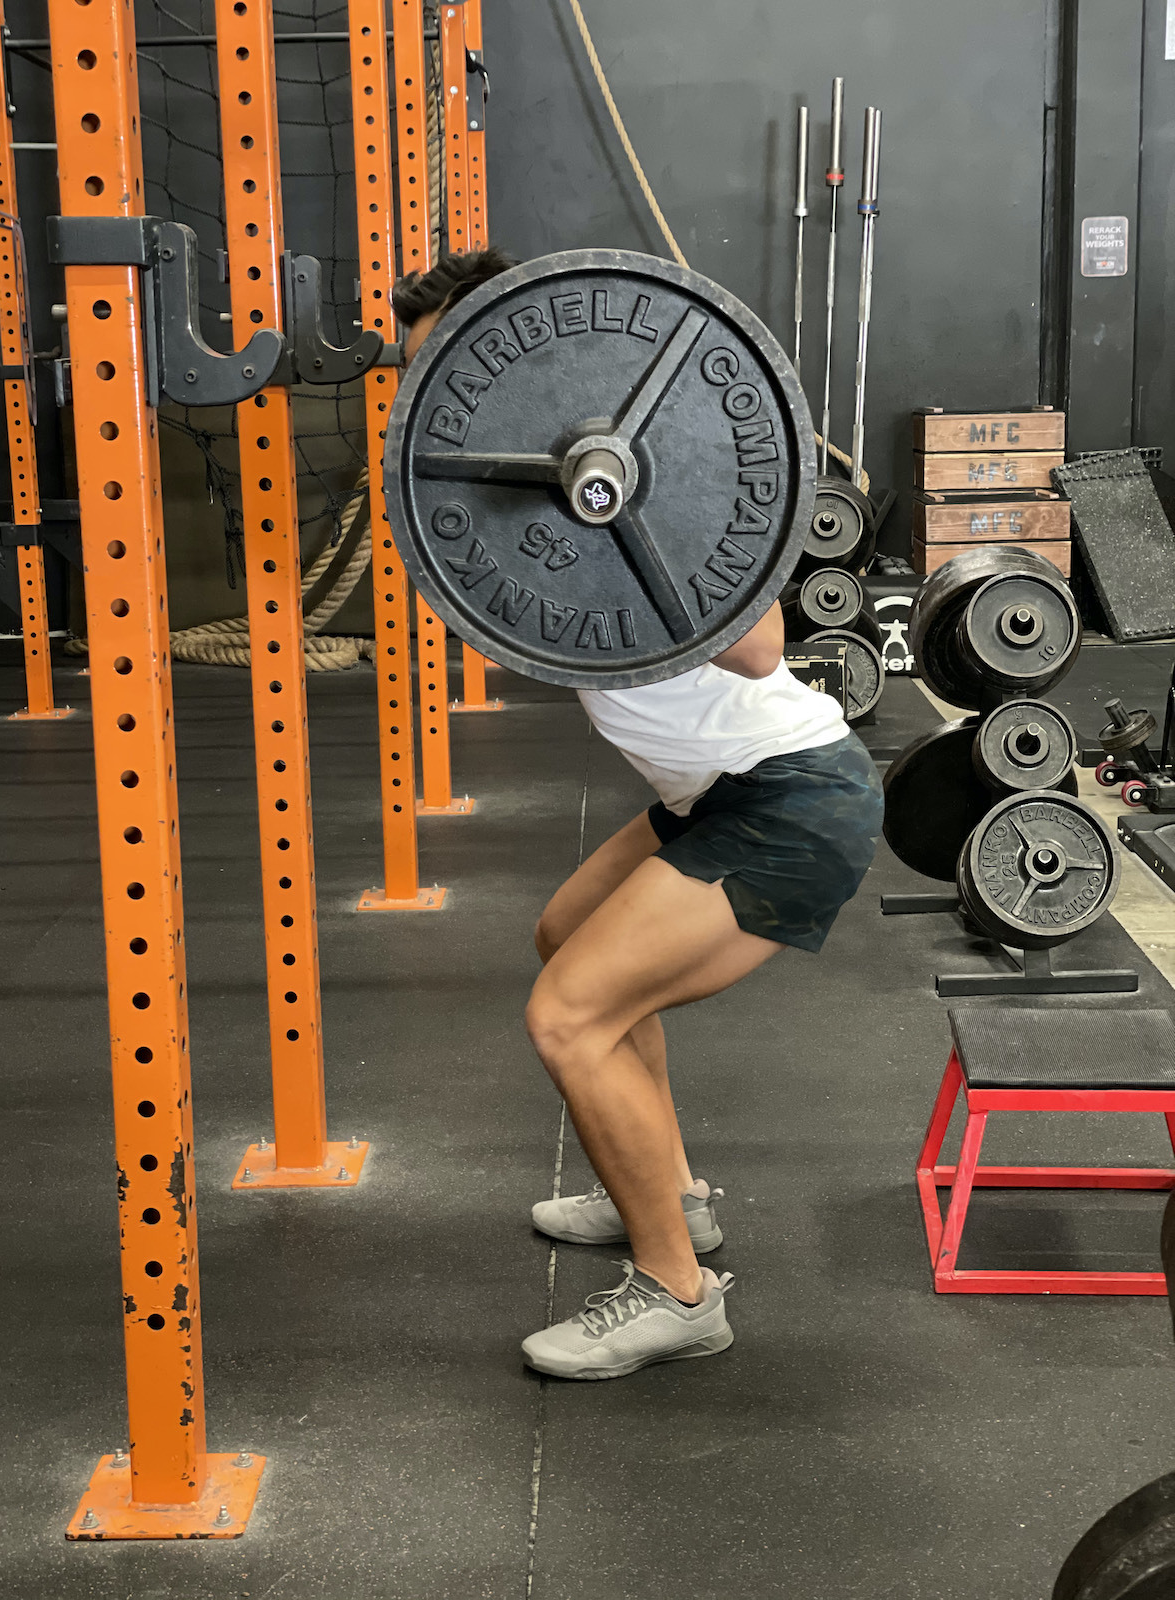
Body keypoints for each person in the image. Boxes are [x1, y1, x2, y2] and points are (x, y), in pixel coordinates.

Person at [392, 249, 885, 1381]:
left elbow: (760, 644)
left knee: (567, 1015)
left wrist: (616, 501)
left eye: (451, 371)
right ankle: (670, 1193)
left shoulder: (646, 463)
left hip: (792, 799)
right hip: (715, 793)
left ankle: (676, 1289)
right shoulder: (527, 479)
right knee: (568, 936)